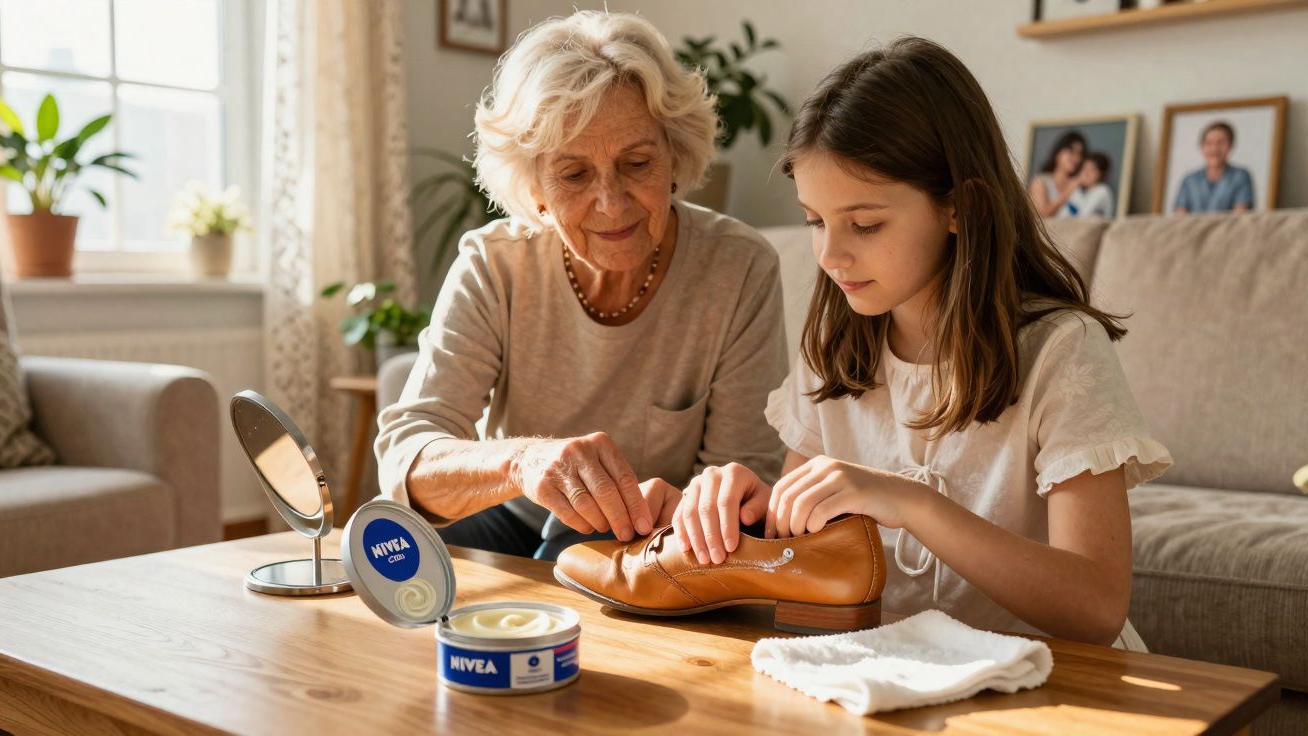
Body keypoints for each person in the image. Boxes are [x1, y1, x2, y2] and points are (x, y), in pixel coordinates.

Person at [672, 37, 1172, 649]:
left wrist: (913, 504)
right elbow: (806, 557)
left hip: (1046, 677)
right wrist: (756, 513)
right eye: (814, 220)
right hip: (897, 674)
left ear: (958, 207)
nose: (830, 254)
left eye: (865, 223)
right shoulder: (833, 352)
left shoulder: (1061, 351)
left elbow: (1096, 607)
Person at [374, 11, 787, 561]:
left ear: (673, 159)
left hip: (657, 540)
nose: (611, 203)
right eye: (573, 175)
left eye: (636, 163)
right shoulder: (495, 264)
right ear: (534, 187)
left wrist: (669, 509)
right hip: (509, 516)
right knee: (395, 546)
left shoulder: (739, 269)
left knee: (578, 550)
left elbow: (743, 485)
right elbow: (407, 457)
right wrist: (521, 463)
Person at [1173, 121, 1254, 214]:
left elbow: (1239, 215)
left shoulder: (1240, 176)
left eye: (1221, 142)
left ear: (1231, 145)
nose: (1215, 148)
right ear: (1202, 146)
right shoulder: (1189, 180)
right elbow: (1180, 216)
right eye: (1209, 143)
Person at [1028, 130, 1085, 218]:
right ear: (1058, 153)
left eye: (1079, 154)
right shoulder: (1040, 181)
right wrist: (1067, 193)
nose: (1076, 158)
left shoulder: (1079, 184)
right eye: (1071, 151)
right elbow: (1041, 215)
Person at [1067, 152, 1115, 218]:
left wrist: (1075, 185)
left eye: (1092, 169)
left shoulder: (1103, 190)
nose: (1086, 173)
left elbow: (1083, 216)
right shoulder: (1081, 191)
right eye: (1084, 168)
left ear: (1101, 174)